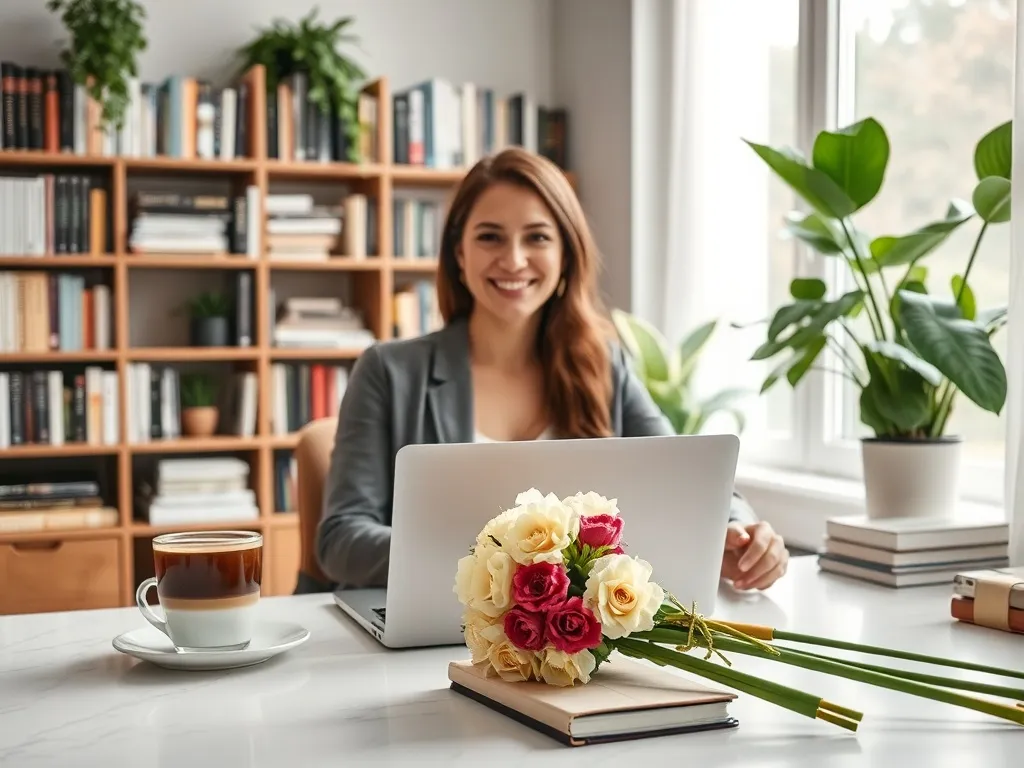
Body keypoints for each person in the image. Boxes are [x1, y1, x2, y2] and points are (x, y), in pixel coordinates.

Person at [316, 147, 788, 594]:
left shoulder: (606, 367)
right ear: (459, 255)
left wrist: (737, 530)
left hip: (570, 648)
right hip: (428, 635)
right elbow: (341, 542)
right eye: (490, 236)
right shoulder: (388, 371)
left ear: (566, 255)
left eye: (537, 237)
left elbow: (690, 482)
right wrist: (503, 561)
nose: (514, 259)